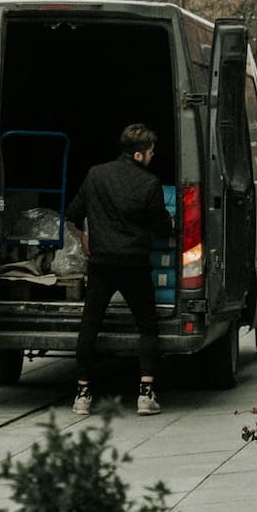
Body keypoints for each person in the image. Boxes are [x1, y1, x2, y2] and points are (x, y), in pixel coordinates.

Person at [66, 123, 173, 416]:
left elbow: (73, 213)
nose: (153, 157)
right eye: (151, 152)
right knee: (147, 325)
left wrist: (86, 237)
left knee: (90, 325)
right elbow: (161, 227)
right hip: (134, 265)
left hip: (100, 264)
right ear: (139, 155)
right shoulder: (150, 185)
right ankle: (145, 394)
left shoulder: (95, 175)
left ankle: (83, 395)